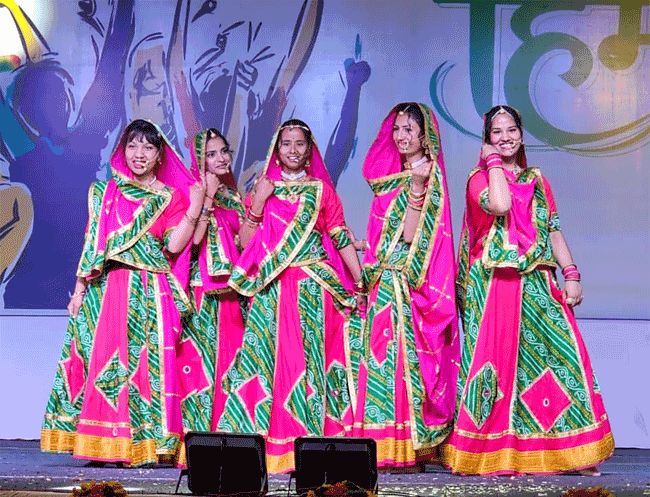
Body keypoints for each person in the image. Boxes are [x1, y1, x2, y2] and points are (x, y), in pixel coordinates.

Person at [441, 105, 614, 475]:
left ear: (521, 135)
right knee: (497, 370)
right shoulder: (479, 179)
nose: (505, 138)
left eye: (511, 130)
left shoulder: (537, 180)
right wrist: (492, 163)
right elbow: (501, 204)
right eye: (497, 132)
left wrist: (571, 272)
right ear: (487, 139)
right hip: (496, 284)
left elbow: (552, 228)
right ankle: (490, 452)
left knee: (562, 358)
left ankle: (574, 452)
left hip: (537, 279)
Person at [41, 119, 204, 467]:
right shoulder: (104, 193)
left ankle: (143, 445)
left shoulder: (169, 197)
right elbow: (92, 245)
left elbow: (174, 247)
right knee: (104, 366)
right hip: (106, 290)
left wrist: (194, 208)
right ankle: (102, 444)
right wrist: (79, 290)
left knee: (145, 369)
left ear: (159, 155)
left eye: (148, 147)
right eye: (132, 145)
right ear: (122, 150)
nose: (139, 154)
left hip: (148, 291)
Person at [217, 119, 362, 473]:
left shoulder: (321, 190)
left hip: (312, 288)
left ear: (309, 150)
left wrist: (360, 281)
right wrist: (258, 203)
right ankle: (263, 446)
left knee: (308, 364)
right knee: (265, 362)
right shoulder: (263, 187)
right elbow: (246, 243)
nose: (293, 150)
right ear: (276, 149)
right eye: (286, 143)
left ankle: (311, 444)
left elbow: (339, 235)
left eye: (300, 143)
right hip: (272, 288)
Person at [347, 103, 459, 470]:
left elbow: (411, 237)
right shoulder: (391, 178)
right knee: (379, 359)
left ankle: (406, 449)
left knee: (401, 361)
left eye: (409, 129)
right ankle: (379, 445)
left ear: (425, 136)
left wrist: (416, 187)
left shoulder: (428, 176)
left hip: (406, 284)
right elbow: (382, 233)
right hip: (381, 279)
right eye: (397, 128)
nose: (400, 136)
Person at [177, 129, 246, 433]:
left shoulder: (233, 197)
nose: (221, 158)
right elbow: (191, 243)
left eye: (224, 151)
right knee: (198, 362)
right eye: (211, 154)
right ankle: (194, 434)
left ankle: (227, 430)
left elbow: (244, 243)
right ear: (199, 159)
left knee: (230, 360)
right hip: (199, 290)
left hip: (230, 291)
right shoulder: (187, 191)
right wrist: (205, 198)